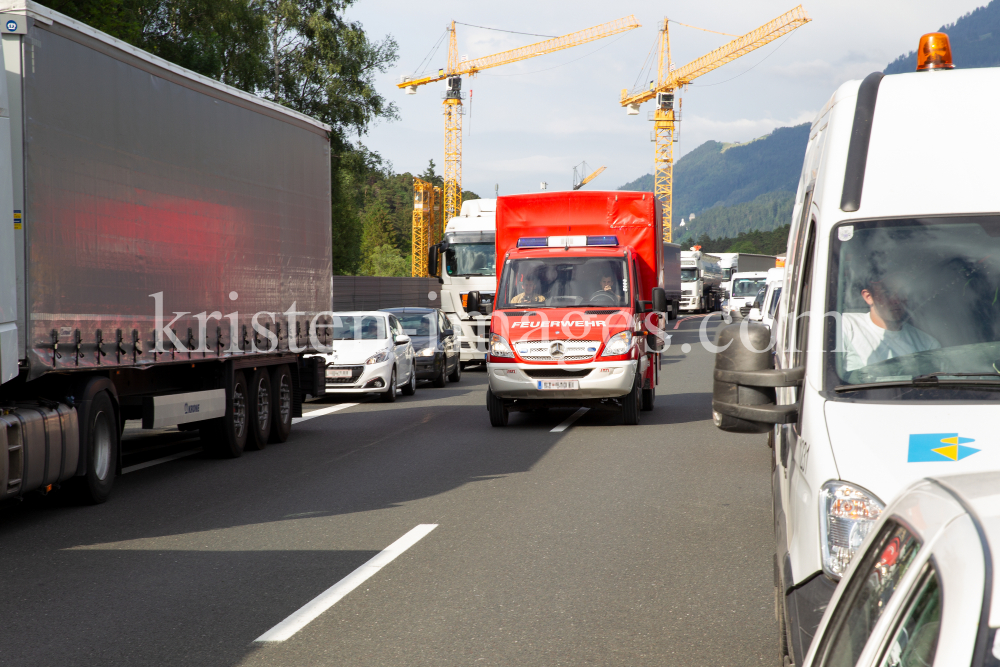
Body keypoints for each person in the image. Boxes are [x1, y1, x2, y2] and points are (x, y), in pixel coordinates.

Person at [842, 276, 939, 372]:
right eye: (887, 293)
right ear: (868, 296)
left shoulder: (927, 344)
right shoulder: (845, 326)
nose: (897, 300)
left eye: (902, 293)